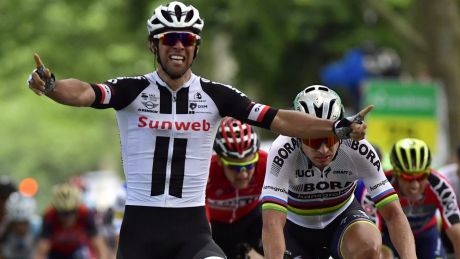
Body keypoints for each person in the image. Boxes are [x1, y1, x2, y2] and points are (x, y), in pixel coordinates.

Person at [27, 1, 372, 258]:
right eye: (170, 38)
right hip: (140, 231)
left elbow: (279, 119)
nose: (179, 45)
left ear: (196, 47)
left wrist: (337, 126)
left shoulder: (215, 95)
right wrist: (52, 86)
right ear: (153, 44)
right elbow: (86, 92)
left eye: (187, 39)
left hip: (190, 228)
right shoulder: (131, 90)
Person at [261, 85, 416, 259]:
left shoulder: (358, 147)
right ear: (297, 135)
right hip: (295, 229)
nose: (323, 149)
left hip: (342, 220)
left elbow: (394, 214)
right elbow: (272, 222)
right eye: (313, 141)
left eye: (330, 139)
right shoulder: (282, 150)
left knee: (368, 245)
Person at [378, 138, 460, 259]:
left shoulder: (440, 186)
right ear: (396, 173)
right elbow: (371, 232)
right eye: (408, 178)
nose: (415, 185)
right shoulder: (381, 185)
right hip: (390, 234)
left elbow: (457, 233)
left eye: (421, 177)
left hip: (426, 234)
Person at [206, 117, 266, 258]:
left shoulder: (266, 163)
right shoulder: (207, 170)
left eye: (250, 165)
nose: (243, 174)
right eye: (234, 167)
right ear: (220, 161)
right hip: (217, 227)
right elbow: (200, 220)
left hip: (251, 222)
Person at [34, 183, 108, 259]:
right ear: (56, 210)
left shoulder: (85, 213)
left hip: (78, 249)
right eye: (62, 214)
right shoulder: (49, 215)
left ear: (77, 210)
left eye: (71, 213)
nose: (67, 218)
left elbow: (99, 246)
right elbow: (42, 248)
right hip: (55, 251)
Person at [0, 192, 41, 259]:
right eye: (17, 223)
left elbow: (42, 252)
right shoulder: (6, 226)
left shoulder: (37, 227)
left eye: (24, 223)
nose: (20, 227)